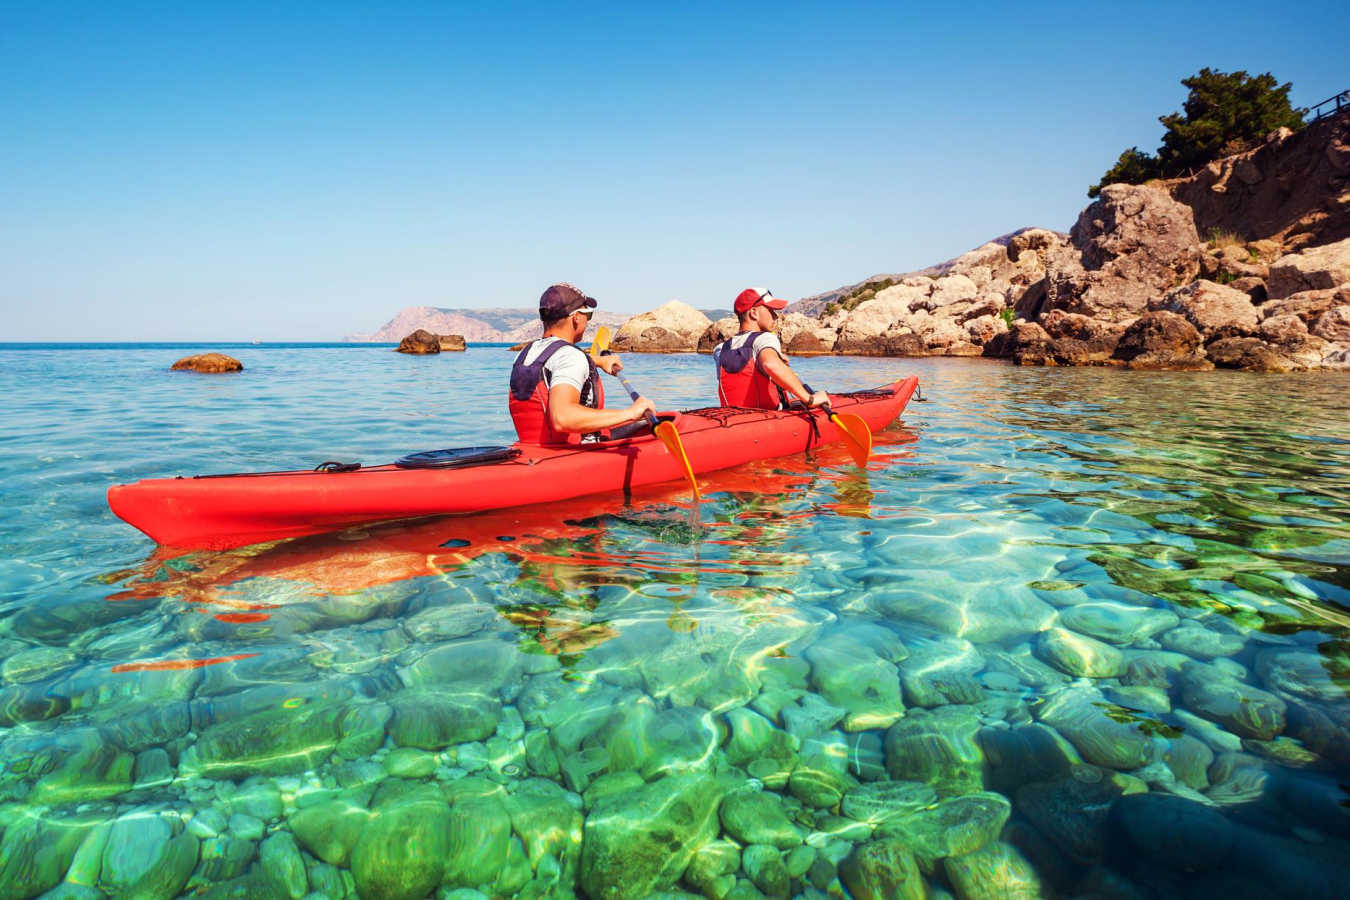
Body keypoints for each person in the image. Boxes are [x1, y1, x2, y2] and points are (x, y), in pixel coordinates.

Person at [509, 283, 656, 445]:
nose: (588, 321)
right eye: (588, 315)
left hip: (533, 450)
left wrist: (600, 361)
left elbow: (554, 364)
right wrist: (631, 413)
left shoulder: (526, 353)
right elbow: (563, 418)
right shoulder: (571, 357)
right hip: (573, 452)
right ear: (577, 317)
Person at [713, 288, 829, 410]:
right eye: (771, 310)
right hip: (767, 415)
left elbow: (745, 376)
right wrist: (809, 399)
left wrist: (777, 362)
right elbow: (770, 364)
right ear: (754, 313)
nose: (775, 316)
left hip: (733, 417)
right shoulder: (765, 338)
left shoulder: (720, 350)